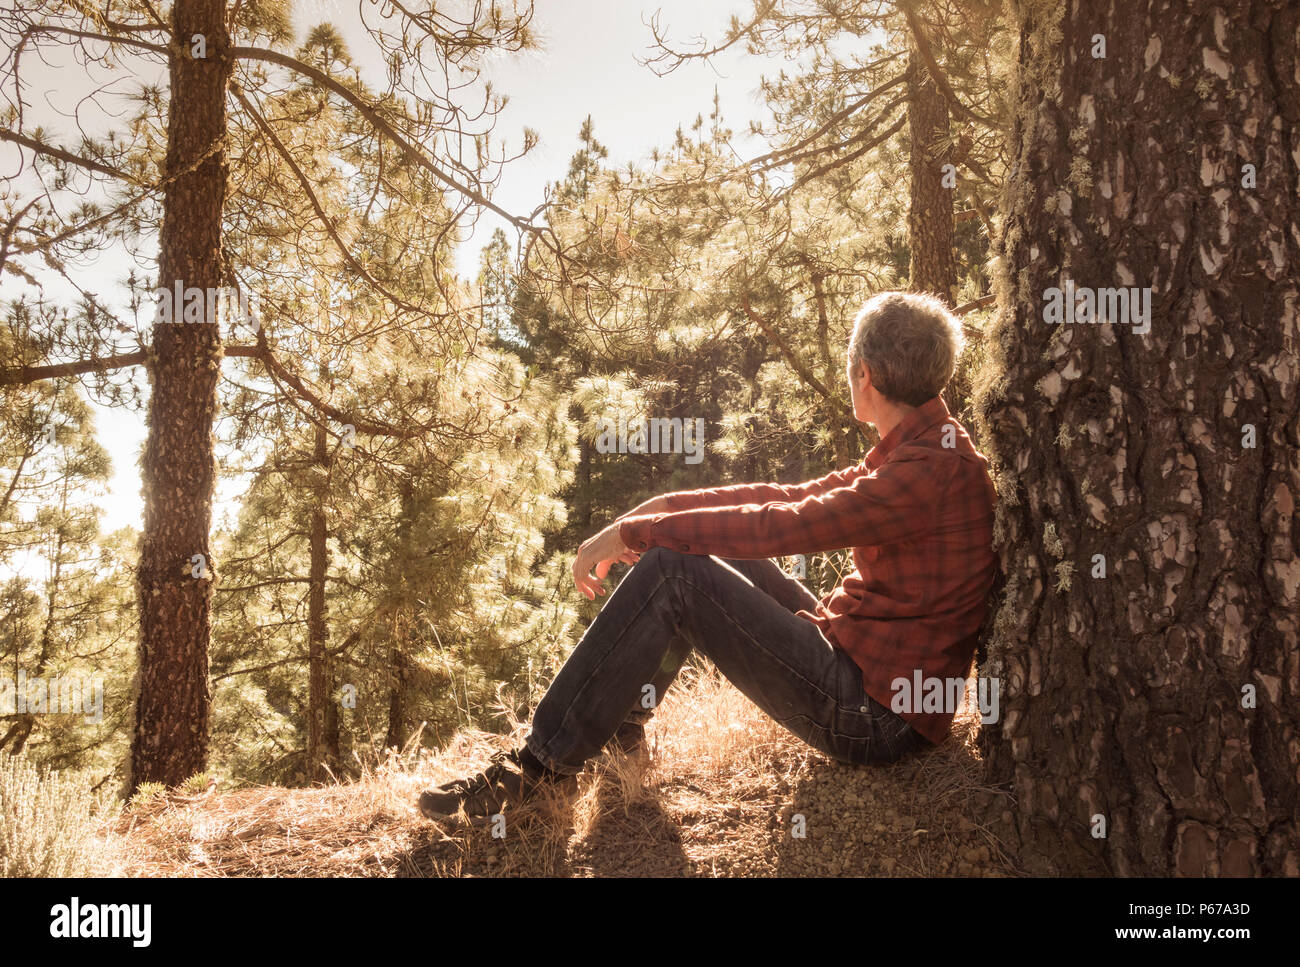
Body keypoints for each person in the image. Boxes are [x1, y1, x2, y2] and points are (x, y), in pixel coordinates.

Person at [417, 290, 997, 821]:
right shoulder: (926, 448)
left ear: (864, 374)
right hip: (864, 674)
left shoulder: (926, 471)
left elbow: (786, 525)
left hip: (874, 718)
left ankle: (538, 771)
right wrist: (657, 512)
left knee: (676, 570)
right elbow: (787, 496)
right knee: (697, 550)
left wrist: (638, 537)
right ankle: (619, 729)